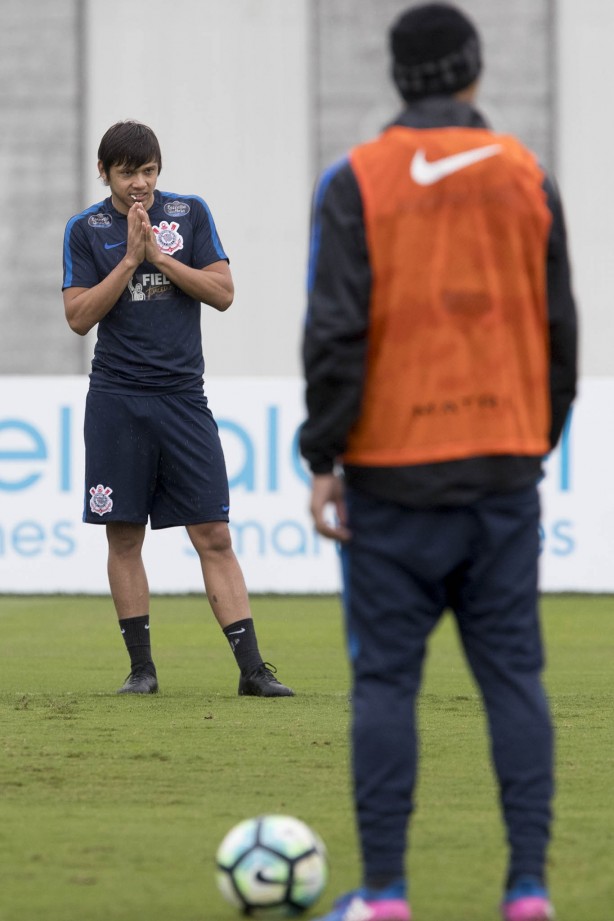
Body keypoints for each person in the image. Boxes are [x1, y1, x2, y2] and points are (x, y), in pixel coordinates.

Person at [300, 4, 577, 920]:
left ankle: (385, 895)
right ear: (473, 70)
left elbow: (334, 332)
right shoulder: (527, 174)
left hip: (392, 470)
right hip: (502, 466)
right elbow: (559, 328)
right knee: (514, 679)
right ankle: (528, 890)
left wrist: (325, 453)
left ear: (397, 75)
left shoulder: (357, 180)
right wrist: (537, 437)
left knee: (384, 683)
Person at [62, 120, 293, 699]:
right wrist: (129, 260)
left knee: (213, 532)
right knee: (123, 535)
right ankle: (141, 670)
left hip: (183, 398)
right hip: (117, 398)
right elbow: (78, 316)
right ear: (105, 174)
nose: (139, 183)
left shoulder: (189, 215)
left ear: (159, 170)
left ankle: (252, 669)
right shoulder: (85, 229)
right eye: (126, 172)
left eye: (148, 170)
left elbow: (223, 292)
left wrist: (160, 260)